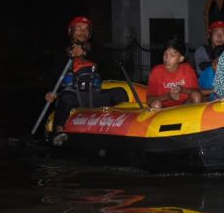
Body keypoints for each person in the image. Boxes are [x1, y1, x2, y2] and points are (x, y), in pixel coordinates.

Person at [45, 16, 129, 146]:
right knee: (66, 97)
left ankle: (121, 127)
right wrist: (50, 92)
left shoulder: (96, 51)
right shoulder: (62, 54)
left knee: (120, 93)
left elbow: (106, 63)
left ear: (89, 34)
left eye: (85, 29)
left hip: (94, 96)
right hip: (73, 97)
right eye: (78, 28)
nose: (82, 32)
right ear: (70, 31)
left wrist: (84, 53)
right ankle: (58, 131)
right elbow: (53, 76)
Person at [147, 39, 202, 109]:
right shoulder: (156, 72)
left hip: (185, 106)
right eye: (165, 54)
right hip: (164, 109)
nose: (167, 58)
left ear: (181, 58)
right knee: (155, 104)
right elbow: (149, 99)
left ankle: (193, 119)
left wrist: (183, 90)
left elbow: (198, 91)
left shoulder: (188, 69)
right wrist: (168, 96)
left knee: (196, 96)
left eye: (172, 55)